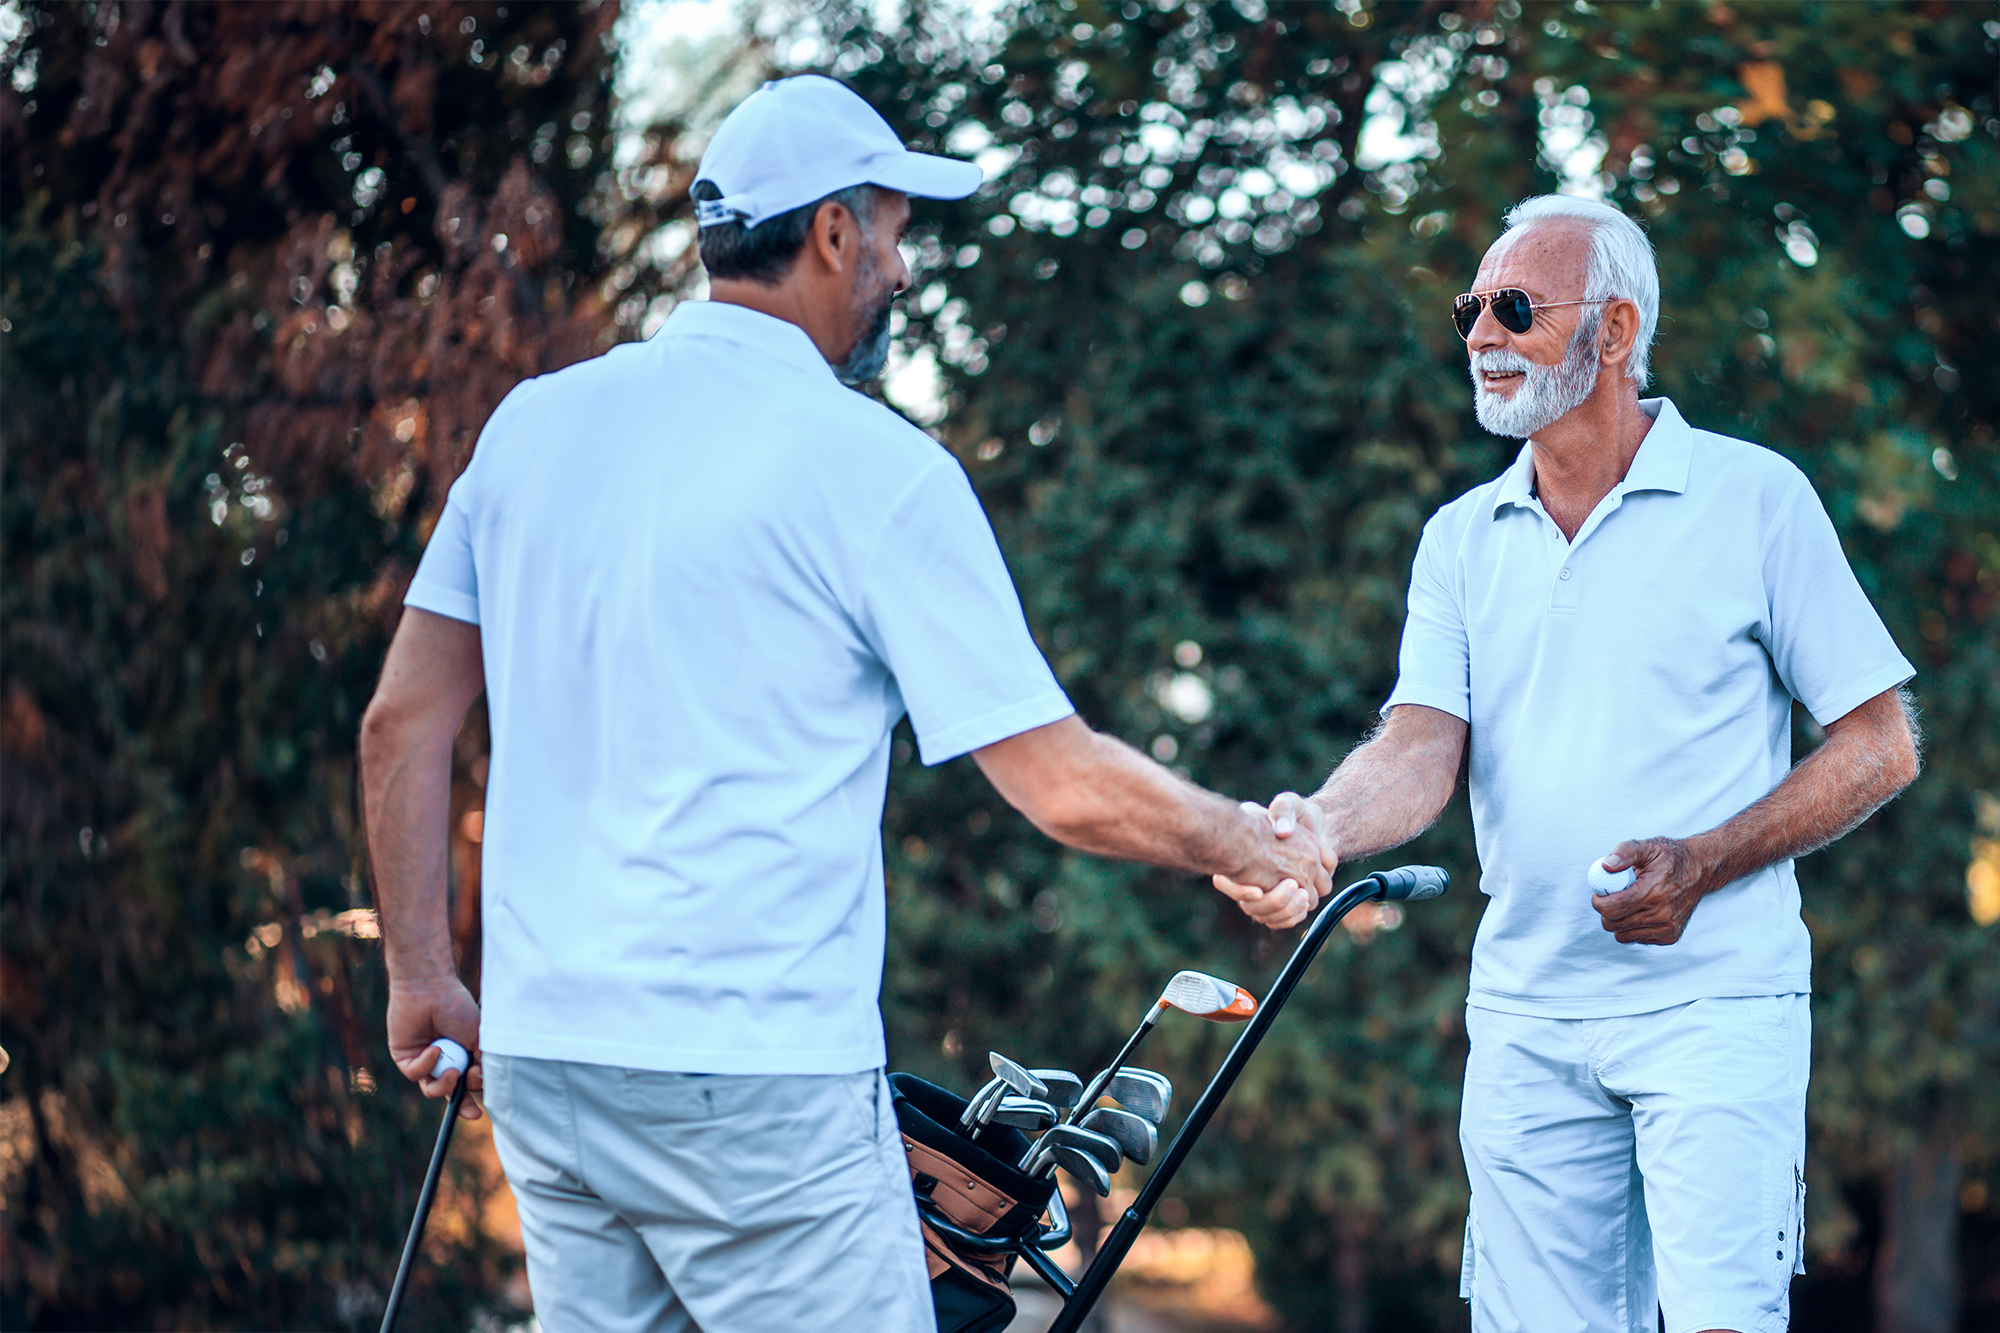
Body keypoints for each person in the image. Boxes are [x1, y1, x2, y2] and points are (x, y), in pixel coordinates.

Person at [359, 74, 1329, 1333]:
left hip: (552, 1063)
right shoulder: (874, 468)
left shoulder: (534, 427)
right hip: (753, 1088)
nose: (903, 270)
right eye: (893, 229)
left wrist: (419, 974)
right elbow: (1060, 783)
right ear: (830, 233)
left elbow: (403, 721)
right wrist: (1251, 844)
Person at [1224, 195, 1920, 1332]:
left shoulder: (1753, 499)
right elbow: (1417, 746)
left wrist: (1702, 860)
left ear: (1612, 332)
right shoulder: (1458, 537)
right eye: (1468, 310)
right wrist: (1318, 831)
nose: (1478, 337)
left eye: (1512, 309)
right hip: (1524, 1016)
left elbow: (1877, 744)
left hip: (1715, 1006)